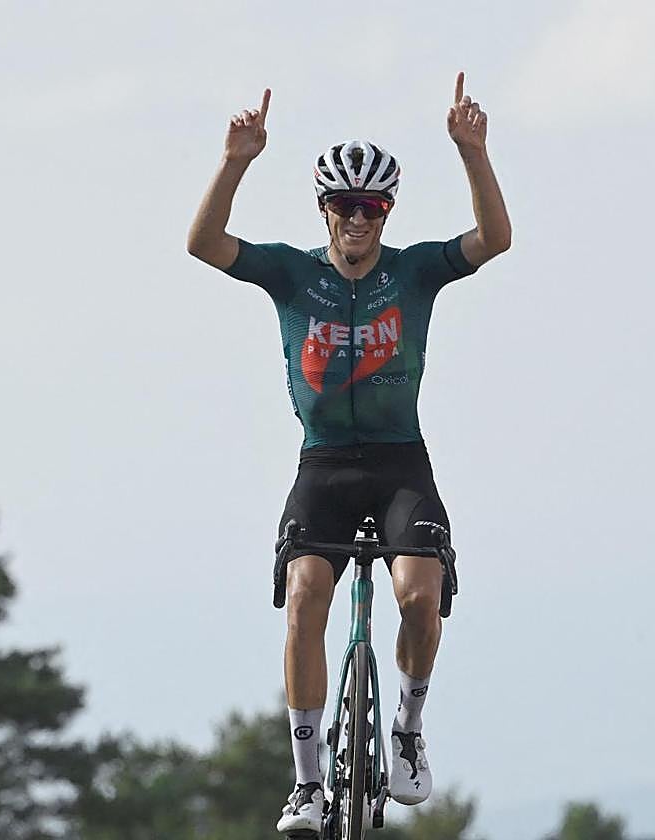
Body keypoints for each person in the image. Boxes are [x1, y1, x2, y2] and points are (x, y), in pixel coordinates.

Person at [186, 71, 511, 835]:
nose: (357, 218)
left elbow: (493, 240)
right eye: (344, 204)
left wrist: (473, 153)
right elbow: (202, 245)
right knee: (304, 599)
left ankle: (406, 729)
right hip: (324, 465)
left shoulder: (415, 270)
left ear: (386, 212)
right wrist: (236, 160)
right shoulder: (291, 273)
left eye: (372, 206)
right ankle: (305, 785)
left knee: (417, 599)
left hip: (401, 462)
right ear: (323, 208)